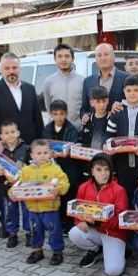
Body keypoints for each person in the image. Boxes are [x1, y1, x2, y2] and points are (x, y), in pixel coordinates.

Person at [0, 52, 44, 236]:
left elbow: (37, 118)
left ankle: (31, 224)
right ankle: (6, 223)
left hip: (27, 148)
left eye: (14, 68)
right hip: (6, 147)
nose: (11, 71)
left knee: (29, 183)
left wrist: (39, 145)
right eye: (7, 68)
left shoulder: (29, 88)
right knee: (6, 187)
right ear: (1, 70)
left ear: (20, 69)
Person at [69, 153, 128, 276]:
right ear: (92, 171)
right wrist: (80, 222)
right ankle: (95, 250)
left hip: (113, 234)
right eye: (99, 170)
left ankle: (123, 249)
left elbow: (121, 219)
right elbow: (77, 211)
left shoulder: (119, 190)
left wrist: (97, 222)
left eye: (107, 169)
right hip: (94, 231)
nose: (104, 173)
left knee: (113, 272)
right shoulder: (83, 188)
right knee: (74, 233)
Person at [16, 139, 69, 265]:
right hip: (33, 209)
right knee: (35, 230)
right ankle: (37, 250)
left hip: (50, 208)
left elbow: (64, 181)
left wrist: (59, 188)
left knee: (54, 230)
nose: (42, 156)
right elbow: (19, 184)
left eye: (45, 153)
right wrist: (14, 192)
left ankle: (57, 251)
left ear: (50, 154)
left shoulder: (55, 169)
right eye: (39, 153)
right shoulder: (26, 170)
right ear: (32, 155)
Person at [42, 100, 79, 234]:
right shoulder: (47, 129)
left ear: (67, 114)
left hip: (68, 166)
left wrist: (67, 152)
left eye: (62, 114)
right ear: (51, 114)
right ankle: (55, 221)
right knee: (54, 193)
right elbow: (44, 146)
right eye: (55, 114)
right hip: (53, 166)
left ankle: (68, 223)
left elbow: (74, 147)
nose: (59, 117)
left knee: (68, 193)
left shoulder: (71, 129)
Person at [0, 121, 31, 248]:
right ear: (1, 136)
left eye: (13, 132)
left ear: (18, 133)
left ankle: (29, 233)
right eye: (6, 133)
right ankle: (12, 234)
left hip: (24, 188)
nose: (10, 135)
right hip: (7, 188)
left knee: (27, 211)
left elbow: (32, 167)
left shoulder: (26, 148)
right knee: (10, 211)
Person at [43, 43, 85, 132]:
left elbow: (85, 107)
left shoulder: (82, 81)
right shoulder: (49, 81)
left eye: (67, 56)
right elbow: (48, 106)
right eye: (60, 56)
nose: (63, 59)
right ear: (55, 59)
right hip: (56, 132)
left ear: (73, 58)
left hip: (78, 131)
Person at [81, 43, 129, 118]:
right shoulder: (88, 81)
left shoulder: (126, 78)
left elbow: (134, 104)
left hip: (119, 127)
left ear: (114, 57)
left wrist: (121, 105)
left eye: (106, 54)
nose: (103, 58)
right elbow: (84, 109)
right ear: (96, 59)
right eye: (99, 55)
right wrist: (84, 116)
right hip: (96, 127)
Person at [81, 86, 110, 151]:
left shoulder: (112, 119)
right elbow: (85, 142)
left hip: (106, 158)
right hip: (90, 158)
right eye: (98, 101)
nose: (101, 105)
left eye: (104, 101)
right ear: (92, 103)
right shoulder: (87, 120)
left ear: (108, 101)